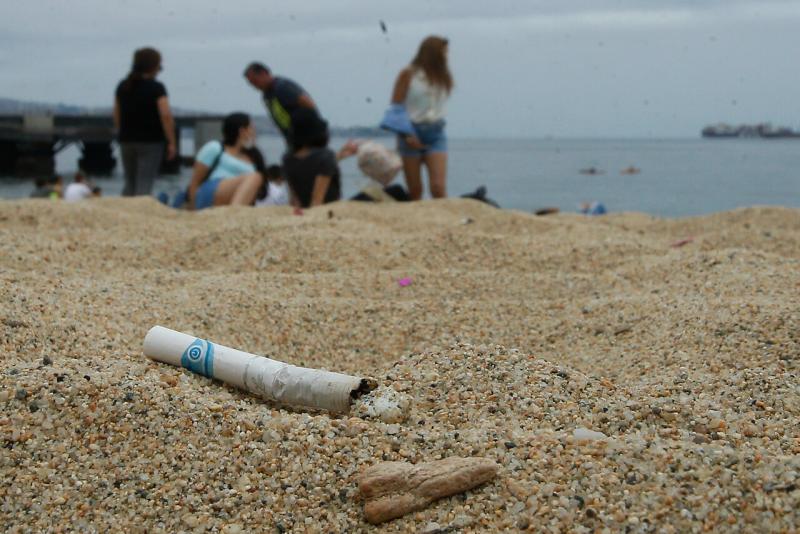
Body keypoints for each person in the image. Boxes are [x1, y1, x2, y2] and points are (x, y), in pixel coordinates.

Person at [390, 36, 453, 200]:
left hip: (436, 131)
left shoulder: (442, 76)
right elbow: (396, 107)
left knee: (438, 188)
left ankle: (445, 221)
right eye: (444, 51)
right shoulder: (408, 74)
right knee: (415, 190)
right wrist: (407, 134)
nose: (447, 55)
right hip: (412, 131)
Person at [114, 47, 176, 196]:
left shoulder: (123, 86)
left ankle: (124, 211)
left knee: (130, 182)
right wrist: (171, 141)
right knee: (145, 182)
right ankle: (139, 214)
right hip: (151, 141)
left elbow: (116, 113)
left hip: (127, 140)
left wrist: (121, 131)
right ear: (154, 66)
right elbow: (165, 115)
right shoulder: (157, 88)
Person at [187, 113, 266, 210]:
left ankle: (234, 211)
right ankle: (232, 213)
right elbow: (195, 181)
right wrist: (193, 208)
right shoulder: (215, 148)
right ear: (242, 131)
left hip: (238, 199)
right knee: (255, 177)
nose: (254, 132)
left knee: (256, 177)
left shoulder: (253, 156)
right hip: (212, 189)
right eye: (251, 128)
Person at [281, 109, 357, 208]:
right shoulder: (325, 156)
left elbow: (294, 200)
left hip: (301, 210)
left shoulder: (288, 159)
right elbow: (317, 201)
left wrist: (340, 155)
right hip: (328, 211)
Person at [243, 62, 325, 154]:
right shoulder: (267, 95)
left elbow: (310, 106)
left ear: (264, 73)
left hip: (308, 141)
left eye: (255, 81)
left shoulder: (282, 87)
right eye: (251, 83)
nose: (254, 86)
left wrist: (317, 135)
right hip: (293, 141)